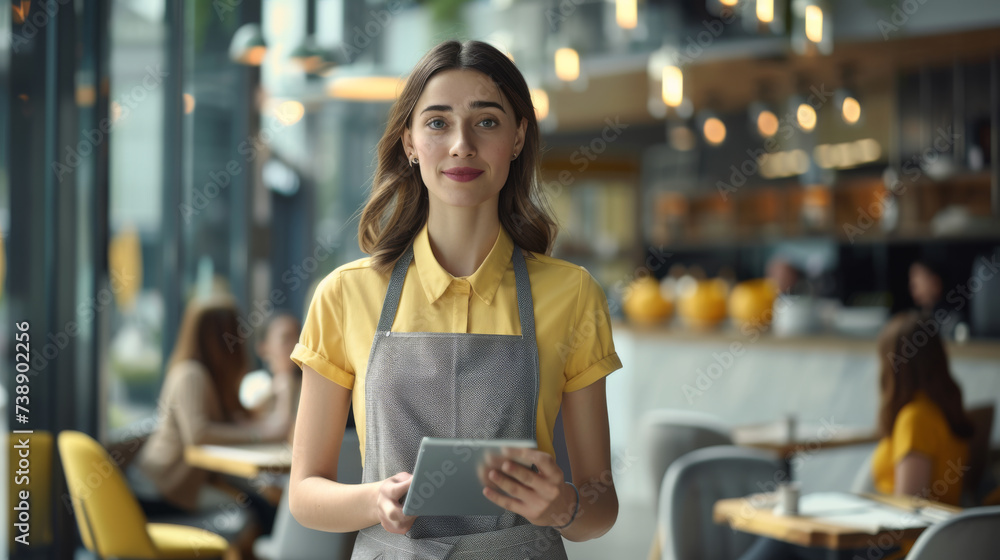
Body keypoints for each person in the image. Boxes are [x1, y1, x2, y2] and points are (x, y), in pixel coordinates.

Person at [288, 40, 622, 558]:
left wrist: (560, 507)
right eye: (438, 123)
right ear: (410, 142)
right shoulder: (344, 294)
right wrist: (375, 499)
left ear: (517, 138)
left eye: (486, 121)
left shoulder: (573, 295)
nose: (461, 144)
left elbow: (600, 507)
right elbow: (305, 494)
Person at [737, 311, 974, 560]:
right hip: (925, 542)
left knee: (784, 539)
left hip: (897, 546)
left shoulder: (915, 418)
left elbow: (908, 506)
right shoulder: (944, 412)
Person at [131, 296, 294, 531]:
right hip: (159, 491)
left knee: (259, 505)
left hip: (174, 487)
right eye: (234, 332)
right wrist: (258, 436)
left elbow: (243, 418)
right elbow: (198, 434)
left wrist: (282, 384)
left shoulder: (204, 376)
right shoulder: (191, 374)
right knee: (254, 512)